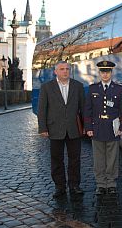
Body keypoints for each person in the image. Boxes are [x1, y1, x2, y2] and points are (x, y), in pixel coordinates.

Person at [37, 61, 85, 198]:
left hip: (74, 129)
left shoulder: (78, 86)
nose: (65, 71)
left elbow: (84, 108)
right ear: (55, 71)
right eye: (62, 69)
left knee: (75, 160)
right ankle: (60, 187)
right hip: (54, 129)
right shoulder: (47, 87)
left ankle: (74, 185)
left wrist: (86, 127)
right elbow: (42, 110)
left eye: (67, 69)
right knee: (56, 160)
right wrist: (43, 128)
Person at [84, 60, 122, 195]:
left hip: (112, 129)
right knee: (98, 159)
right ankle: (101, 184)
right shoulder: (93, 89)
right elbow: (87, 111)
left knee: (112, 158)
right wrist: (88, 128)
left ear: (111, 73)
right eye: (102, 72)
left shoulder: (119, 89)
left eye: (107, 71)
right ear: (99, 73)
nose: (105, 74)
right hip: (97, 128)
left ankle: (112, 183)